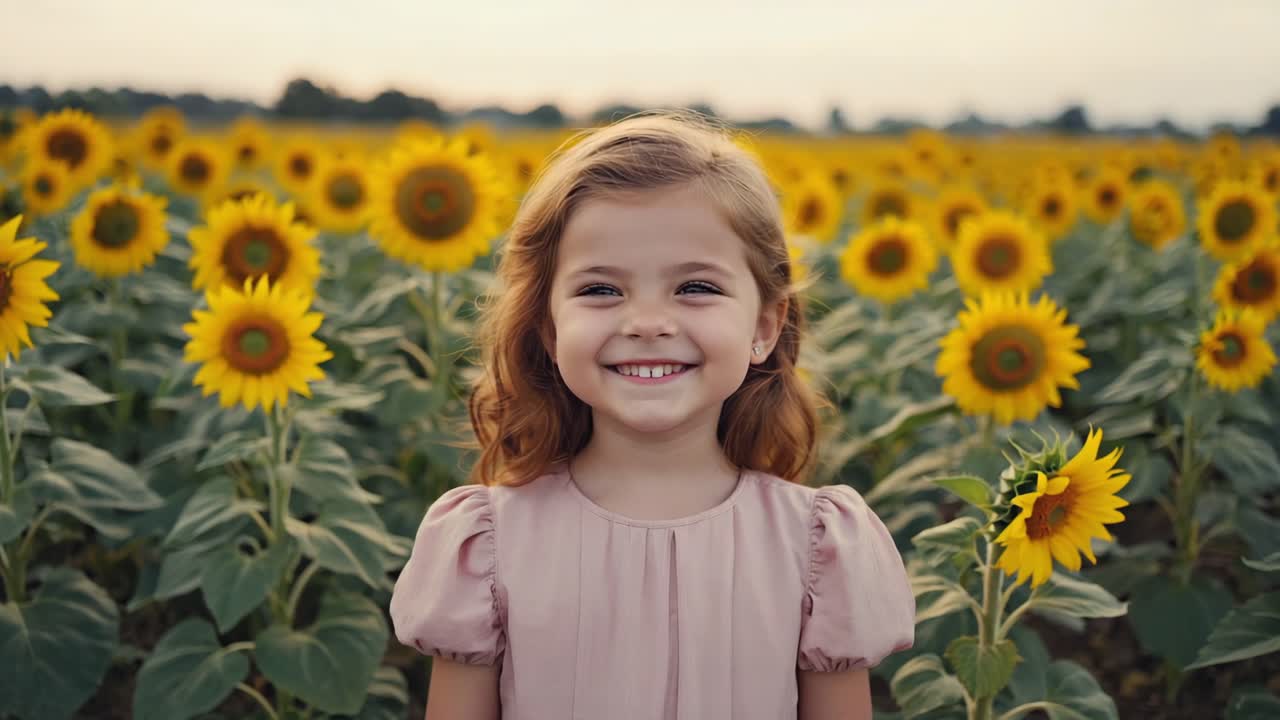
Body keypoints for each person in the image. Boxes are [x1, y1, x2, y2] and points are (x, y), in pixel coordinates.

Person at [389, 110, 915, 720]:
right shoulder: (487, 546)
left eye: (695, 287)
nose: (646, 322)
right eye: (601, 290)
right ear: (549, 328)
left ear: (764, 327)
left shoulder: (818, 548)